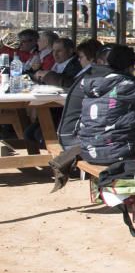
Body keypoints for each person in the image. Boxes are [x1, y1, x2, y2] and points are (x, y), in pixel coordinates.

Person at [48, 39, 105, 192]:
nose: (78, 60)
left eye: (80, 57)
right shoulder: (94, 77)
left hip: (68, 133)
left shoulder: (91, 75)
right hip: (74, 137)